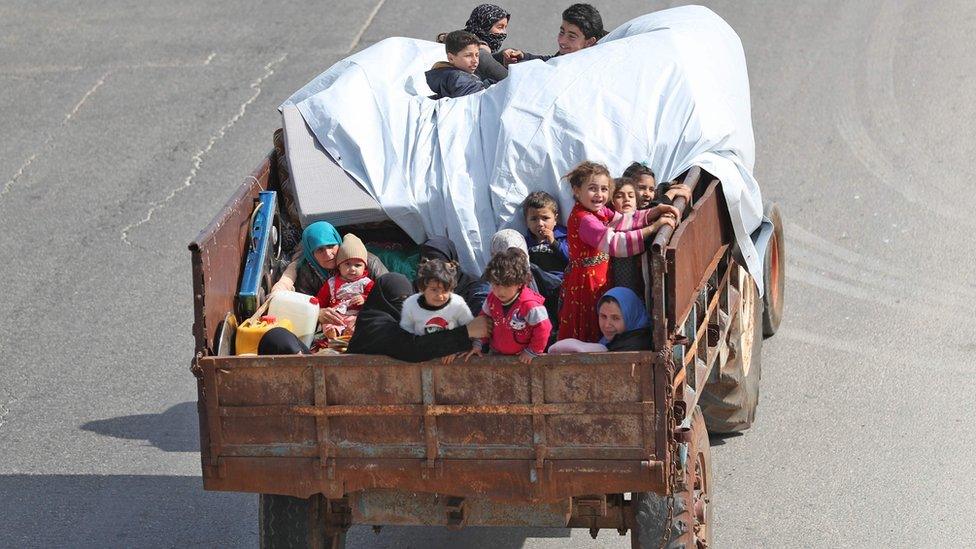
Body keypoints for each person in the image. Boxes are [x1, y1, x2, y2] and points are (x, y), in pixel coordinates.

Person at [557, 161, 677, 343]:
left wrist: (655, 211)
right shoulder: (584, 219)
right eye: (592, 189)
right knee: (590, 324)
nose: (599, 195)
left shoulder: (597, 211)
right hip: (586, 284)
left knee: (602, 318)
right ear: (576, 190)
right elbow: (615, 243)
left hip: (597, 278)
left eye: (604, 189)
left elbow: (624, 221)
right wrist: (654, 228)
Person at [346, 273, 491, 362]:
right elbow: (414, 346)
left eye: (406, 298)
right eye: (398, 298)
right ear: (383, 298)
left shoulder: (390, 320)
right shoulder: (375, 326)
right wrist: (466, 332)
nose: (403, 304)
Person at [272, 221, 388, 327]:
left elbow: (389, 292)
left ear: (339, 243)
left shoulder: (367, 262)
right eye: (320, 250)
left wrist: (365, 306)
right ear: (311, 254)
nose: (328, 254)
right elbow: (304, 306)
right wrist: (318, 313)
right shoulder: (307, 272)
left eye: (331, 246)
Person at [469, 248, 551, 363]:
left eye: (506, 285)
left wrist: (532, 351)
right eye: (496, 284)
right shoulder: (492, 299)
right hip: (496, 355)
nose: (499, 291)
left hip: (523, 359)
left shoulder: (531, 306)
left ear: (520, 283)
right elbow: (483, 322)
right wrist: (478, 344)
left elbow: (543, 328)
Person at [549, 286, 652, 353]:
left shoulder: (631, 347)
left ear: (631, 316)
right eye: (603, 316)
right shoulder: (615, 340)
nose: (607, 325)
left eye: (615, 318)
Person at [317, 233, 374, 338]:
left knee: (360, 322)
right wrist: (319, 310)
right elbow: (320, 301)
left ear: (364, 268)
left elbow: (375, 299)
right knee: (328, 323)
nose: (352, 269)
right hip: (336, 315)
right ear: (339, 266)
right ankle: (333, 333)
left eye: (357, 265)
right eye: (347, 264)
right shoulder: (331, 283)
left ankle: (350, 334)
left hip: (356, 315)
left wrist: (364, 299)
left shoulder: (367, 282)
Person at [400, 258, 474, 335]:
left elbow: (470, 326)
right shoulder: (411, 304)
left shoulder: (457, 304)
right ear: (422, 288)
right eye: (434, 290)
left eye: (445, 291)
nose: (440, 296)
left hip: (454, 345)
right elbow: (406, 332)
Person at [513, 4, 606, 63]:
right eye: (562, 32)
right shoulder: (570, 52)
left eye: (572, 37)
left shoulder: (585, 68)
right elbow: (552, 60)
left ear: (589, 42)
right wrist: (524, 56)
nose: (562, 41)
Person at [419, 236, 488, 315]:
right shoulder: (419, 285)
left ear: (451, 261)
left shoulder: (474, 286)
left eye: (441, 263)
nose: (436, 268)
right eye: (429, 263)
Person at [426, 30, 487, 100]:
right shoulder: (467, 82)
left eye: (477, 55)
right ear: (451, 58)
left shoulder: (439, 74)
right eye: (468, 55)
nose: (475, 60)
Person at [609, 177, 644, 297]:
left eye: (631, 195)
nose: (626, 199)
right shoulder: (611, 225)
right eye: (619, 196)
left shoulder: (643, 220)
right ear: (611, 201)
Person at [522, 191, 569, 280]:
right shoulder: (525, 242)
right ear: (526, 222)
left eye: (545, 218)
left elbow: (572, 258)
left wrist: (554, 243)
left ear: (555, 219)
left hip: (559, 281)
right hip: (535, 283)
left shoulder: (563, 236)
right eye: (534, 219)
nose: (540, 223)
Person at [621, 161, 693, 210]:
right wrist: (671, 193)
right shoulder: (624, 210)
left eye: (651, 189)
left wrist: (668, 187)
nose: (647, 194)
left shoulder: (652, 199)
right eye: (641, 188)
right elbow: (650, 211)